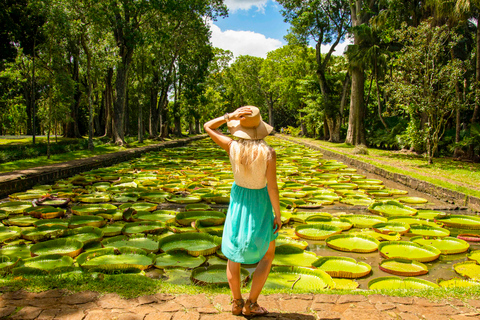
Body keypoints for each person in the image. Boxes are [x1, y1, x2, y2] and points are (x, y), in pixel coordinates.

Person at [203, 106, 282, 317]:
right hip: (261, 203)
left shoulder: (232, 146)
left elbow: (208, 126)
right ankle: (252, 304)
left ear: (239, 127)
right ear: (260, 128)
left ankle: (237, 303)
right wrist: (278, 214)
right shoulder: (268, 153)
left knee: (233, 255)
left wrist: (228, 116)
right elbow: (272, 187)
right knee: (267, 254)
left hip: (238, 202)